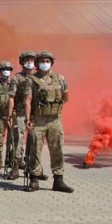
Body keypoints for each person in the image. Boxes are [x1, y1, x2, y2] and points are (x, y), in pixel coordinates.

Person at [22, 51, 74, 193]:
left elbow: (65, 97)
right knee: (35, 150)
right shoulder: (31, 80)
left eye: (47, 61)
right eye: (42, 61)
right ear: (37, 63)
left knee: (57, 150)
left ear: (51, 63)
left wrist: (53, 106)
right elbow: (27, 100)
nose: (45, 63)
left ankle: (58, 181)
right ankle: (34, 180)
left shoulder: (60, 79)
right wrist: (27, 120)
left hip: (54, 120)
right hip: (37, 121)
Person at [7, 51, 39, 180]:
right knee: (18, 140)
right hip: (20, 113)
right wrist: (9, 115)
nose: (29, 62)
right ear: (22, 62)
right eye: (27, 60)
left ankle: (35, 169)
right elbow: (11, 97)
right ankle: (15, 167)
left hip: (35, 114)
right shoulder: (17, 78)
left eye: (32, 60)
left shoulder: (38, 78)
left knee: (35, 141)